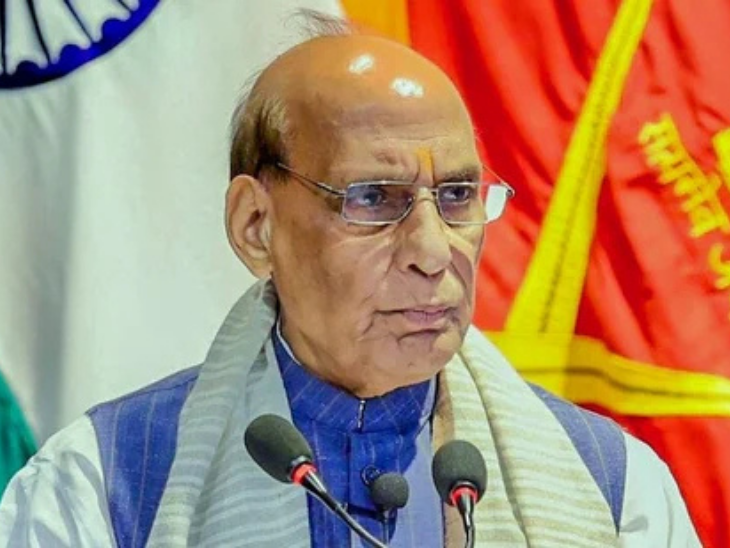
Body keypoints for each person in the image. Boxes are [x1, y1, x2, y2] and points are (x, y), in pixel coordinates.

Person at [0, 18, 700, 548]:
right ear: (255, 226)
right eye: (374, 199)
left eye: (458, 195)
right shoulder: (104, 483)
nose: (434, 251)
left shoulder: (612, 485)